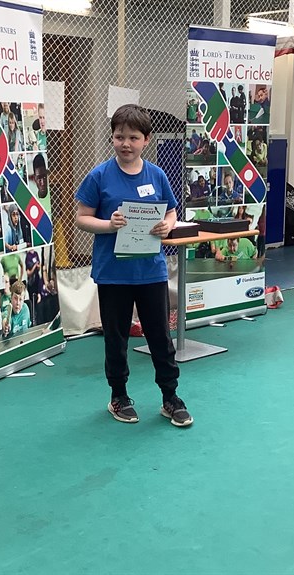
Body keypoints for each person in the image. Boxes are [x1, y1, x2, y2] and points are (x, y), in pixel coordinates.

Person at [75, 104, 193, 427]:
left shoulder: (157, 175)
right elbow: (82, 218)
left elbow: (170, 212)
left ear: (146, 140)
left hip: (151, 271)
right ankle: (119, 396)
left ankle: (170, 396)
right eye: (119, 136)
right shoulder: (98, 176)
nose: (125, 143)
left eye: (133, 137)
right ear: (112, 137)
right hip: (113, 273)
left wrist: (168, 225)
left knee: (159, 335)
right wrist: (108, 225)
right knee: (116, 337)